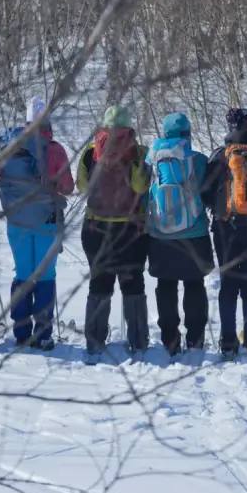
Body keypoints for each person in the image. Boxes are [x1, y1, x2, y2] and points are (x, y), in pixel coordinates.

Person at [0, 96, 74, 350]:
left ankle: (21, 333)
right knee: (45, 276)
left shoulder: (11, 147)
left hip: (17, 221)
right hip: (46, 221)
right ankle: (43, 334)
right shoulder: (54, 149)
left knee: (23, 274)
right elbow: (67, 186)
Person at [77, 104, 150, 356]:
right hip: (130, 228)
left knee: (99, 283)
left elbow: (83, 187)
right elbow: (141, 187)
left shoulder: (90, 152)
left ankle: (95, 340)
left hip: (95, 227)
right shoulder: (138, 151)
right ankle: (138, 340)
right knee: (133, 283)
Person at [203, 107, 247, 356]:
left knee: (229, 284)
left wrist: (218, 209)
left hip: (226, 228)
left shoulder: (220, 155)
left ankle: (228, 341)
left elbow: (205, 192)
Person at [145, 112, 214, 355]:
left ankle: (170, 339)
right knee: (194, 283)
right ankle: (195, 338)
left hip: (161, 234)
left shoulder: (151, 159)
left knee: (165, 285)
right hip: (194, 233)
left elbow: (145, 192)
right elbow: (207, 194)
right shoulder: (198, 160)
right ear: (188, 134)